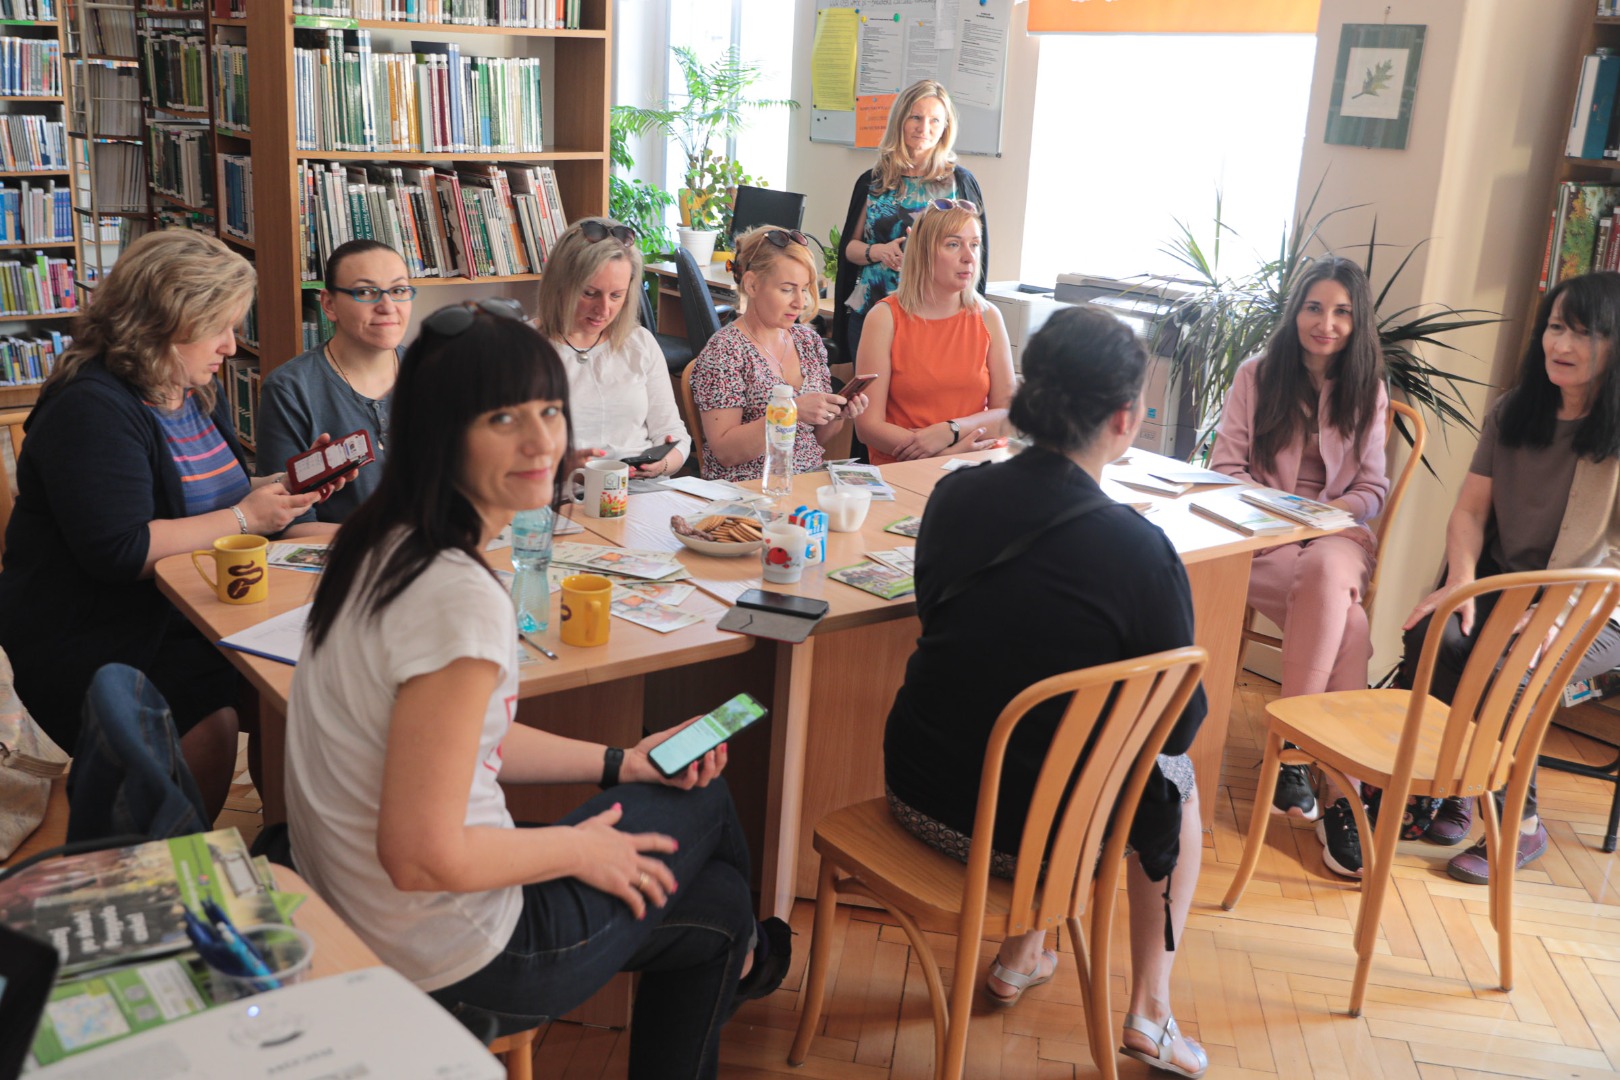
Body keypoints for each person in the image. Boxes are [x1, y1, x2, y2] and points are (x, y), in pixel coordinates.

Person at [284, 300, 788, 1079]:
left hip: (359, 913)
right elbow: (420, 856)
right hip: (452, 958)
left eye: (550, 408)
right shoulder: (458, 593)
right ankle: (754, 952)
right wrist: (579, 848)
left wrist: (622, 762)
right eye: (502, 418)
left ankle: (746, 943)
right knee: (711, 816)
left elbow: (456, 738)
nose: (542, 440)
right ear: (439, 431)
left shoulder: (377, 541)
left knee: (716, 904)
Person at [883, 304, 1209, 1078]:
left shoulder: (953, 497)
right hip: (1039, 844)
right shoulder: (1140, 551)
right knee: (1177, 779)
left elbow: (937, 615)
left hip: (912, 794)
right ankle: (1151, 1011)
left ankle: (1023, 951)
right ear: (1125, 420)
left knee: (1010, 711)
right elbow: (1178, 727)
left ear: (1028, 396)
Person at [0, 230, 333, 818]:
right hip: (100, 630)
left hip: (187, 604)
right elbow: (121, 550)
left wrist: (275, 492)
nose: (232, 346)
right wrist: (244, 516)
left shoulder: (189, 389)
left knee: (304, 690)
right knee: (223, 711)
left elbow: (209, 496)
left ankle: (290, 840)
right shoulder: (92, 407)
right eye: (219, 328)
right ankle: (184, 854)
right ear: (162, 322)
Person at [1344, 270, 1620, 886]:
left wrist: (1551, 615)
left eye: (1584, 333)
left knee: (1508, 672)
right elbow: (1470, 512)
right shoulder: (1513, 412)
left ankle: (1521, 824)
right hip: (1502, 585)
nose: (1562, 345)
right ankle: (1455, 791)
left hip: (1599, 606)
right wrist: (1460, 584)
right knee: (1433, 637)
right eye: (1555, 328)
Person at [1208, 256, 1389, 855]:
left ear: (1357, 323)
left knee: (1326, 568)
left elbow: (1373, 490)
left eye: (1342, 312)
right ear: (1297, 311)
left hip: (1336, 537)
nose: (1327, 323)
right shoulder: (1256, 376)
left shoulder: (1370, 389)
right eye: (1315, 307)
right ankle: (1344, 795)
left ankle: (1290, 753)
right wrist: (1289, 516)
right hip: (1263, 539)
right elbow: (1226, 471)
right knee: (1352, 623)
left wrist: (1328, 517)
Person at [689, 226, 868, 482]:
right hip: (747, 488)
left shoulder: (808, 342)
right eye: (787, 289)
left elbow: (814, 439)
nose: (801, 302)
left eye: (805, 288)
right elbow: (725, 452)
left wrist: (837, 414)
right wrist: (790, 411)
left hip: (804, 482)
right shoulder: (725, 351)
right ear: (752, 283)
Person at [834, 80, 989, 367]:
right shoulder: (874, 181)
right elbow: (850, 249)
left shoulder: (959, 183)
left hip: (935, 317)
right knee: (870, 404)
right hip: (872, 311)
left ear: (945, 127)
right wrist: (878, 251)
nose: (924, 128)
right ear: (901, 120)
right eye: (916, 117)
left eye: (934, 120)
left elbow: (976, 254)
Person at [257, 238, 412, 524]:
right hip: (341, 559)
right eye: (366, 292)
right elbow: (287, 525)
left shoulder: (436, 373)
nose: (388, 306)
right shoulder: (290, 389)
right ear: (329, 304)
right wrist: (396, 545)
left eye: (399, 290)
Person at [853, 199, 1014, 464]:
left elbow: (1007, 414)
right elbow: (868, 427)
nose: (968, 256)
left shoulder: (988, 316)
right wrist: (944, 454)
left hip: (975, 465)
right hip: (904, 469)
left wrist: (951, 430)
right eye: (953, 244)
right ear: (924, 252)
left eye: (974, 244)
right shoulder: (884, 318)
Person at [533, 217, 690, 479]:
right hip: (563, 497)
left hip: (640, 492)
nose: (604, 310)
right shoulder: (522, 350)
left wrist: (661, 465)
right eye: (590, 293)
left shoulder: (640, 343)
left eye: (617, 296)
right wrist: (563, 470)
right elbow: (496, 457)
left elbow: (673, 432)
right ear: (560, 285)